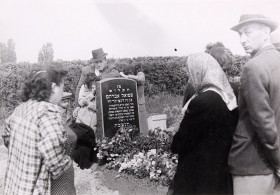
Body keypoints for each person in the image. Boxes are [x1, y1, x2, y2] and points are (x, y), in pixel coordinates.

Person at [171, 53, 238, 194]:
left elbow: (183, 141)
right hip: (219, 172)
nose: (190, 79)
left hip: (199, 176)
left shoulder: (203, 101)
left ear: (199, 72)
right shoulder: (224, 96)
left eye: (190, 73)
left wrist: (174, 142)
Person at [228, 14, 280, 194]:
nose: (242, 40)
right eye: (240, 34)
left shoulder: (253, 66)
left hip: (253, 161)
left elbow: (263, 120)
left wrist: (278, 160)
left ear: (266, 32)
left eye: (247, 32)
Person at [2, 64, 72, 195]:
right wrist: (67, 160)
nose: (63, 93)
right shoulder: (48, 112)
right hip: (33, 189)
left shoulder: (20, 109)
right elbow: (55, 163)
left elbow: (7, 138)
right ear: (53, 87)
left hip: (12, 187)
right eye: (62, 88)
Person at [52, 92, 77, 195]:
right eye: (64, 101)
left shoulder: (68, 112)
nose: (67, 103)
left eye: (68, 101)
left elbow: (71, 124)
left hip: (68, 143)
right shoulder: (56, 113)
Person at [120, 63, 149, 135]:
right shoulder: (133, 77)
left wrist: (127, 76)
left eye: (129, 74)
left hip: (140, 104)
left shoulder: (140, 74)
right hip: (131, 105)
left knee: (142, 126)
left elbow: (141, 79)